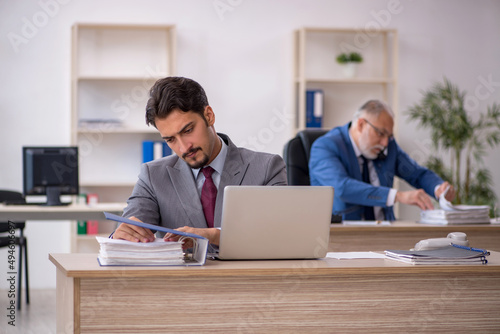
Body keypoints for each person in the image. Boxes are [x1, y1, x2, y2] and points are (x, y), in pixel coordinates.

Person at [112, 76, 287, 246]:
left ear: (209, 116)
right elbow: (128, 232)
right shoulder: (153, 176)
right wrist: (122, 236)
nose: (183, 147)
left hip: (248, 276)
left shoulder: (267, 168)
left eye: (188, 130)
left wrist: (215, 236)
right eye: (170, 139)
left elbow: (282, 234)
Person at [309, 99, 455, 221]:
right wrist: (397, 196)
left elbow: (417, 173)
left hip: (386, 234)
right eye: (380, 133)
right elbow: (342, 188)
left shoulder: (388, 147)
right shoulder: (325, 147)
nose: (385, 143)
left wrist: (439, 188)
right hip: (342, 238)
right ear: (361, 125)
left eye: (389, 136)